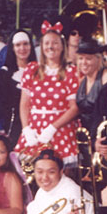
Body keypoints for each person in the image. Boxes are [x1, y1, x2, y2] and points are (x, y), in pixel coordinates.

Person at [13, 21, 80, 166]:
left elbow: (74, 108)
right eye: (47, 43)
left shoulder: (70, 72)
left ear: (63, 46)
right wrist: (26, 129)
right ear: (41, 47)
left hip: (60, 129)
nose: (50, 47)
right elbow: (24, 104)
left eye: (55, 43)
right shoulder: (32, 69)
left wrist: (52, 128)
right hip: (34, 129)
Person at [0, 30, 37, 148]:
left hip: (36, 124)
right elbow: (0, 104)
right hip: (13, 127)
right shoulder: (5, 73)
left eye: (25, 44)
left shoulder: (39, 71)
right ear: (12, 48)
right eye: (18, 45)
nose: (22, 48)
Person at [74, 38, 107, 134]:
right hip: (85, 136)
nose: (83, 62)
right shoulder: (81, 81)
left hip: (101, 135)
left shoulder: (106, 76)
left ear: (98, 59)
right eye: (80, 58)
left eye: (88, 59)